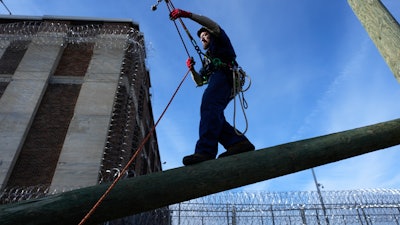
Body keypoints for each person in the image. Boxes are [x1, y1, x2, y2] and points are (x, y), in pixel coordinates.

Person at [170, 9, 255, 166]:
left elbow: (212, 25)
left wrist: (187, 15)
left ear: (212, 35)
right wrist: (192, 70)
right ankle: (238, 142)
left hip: (225, 75)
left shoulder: (221, 42)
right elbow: (200, 81)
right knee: (214, 112)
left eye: (205, 35)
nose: (202, 38)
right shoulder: (208, 60)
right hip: (222, 79)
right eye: (201, 37)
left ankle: (206, 151)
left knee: (209, 106)